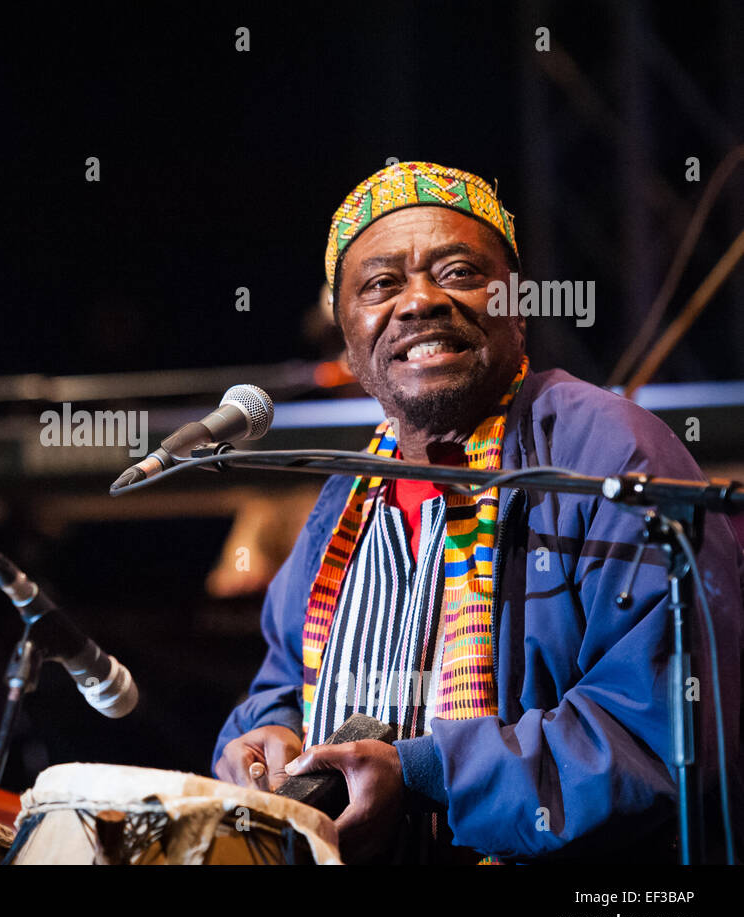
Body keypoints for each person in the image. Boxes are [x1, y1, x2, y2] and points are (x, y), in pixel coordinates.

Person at [213, 161, 743, 863]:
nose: (420, 301)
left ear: (516, 304)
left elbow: (661, 732)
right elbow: (283, 679)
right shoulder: (344, 504)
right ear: (348, 337)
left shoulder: (606, 452)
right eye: (381, 284)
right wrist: (265, 735)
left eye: (458, 271)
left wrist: (427, 776)